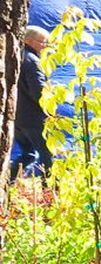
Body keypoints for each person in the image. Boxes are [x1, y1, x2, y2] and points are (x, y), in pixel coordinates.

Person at [12, 26, 51, 180]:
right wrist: (50, 110)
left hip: (18, 118)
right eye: (42, 42)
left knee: (27, 154)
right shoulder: (32, 61)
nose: (45, 45)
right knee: (48, 155)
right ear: (28, 40)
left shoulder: (15, 56)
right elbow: (39, 90)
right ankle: (50, 191)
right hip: (35, 119)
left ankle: (8, 184)